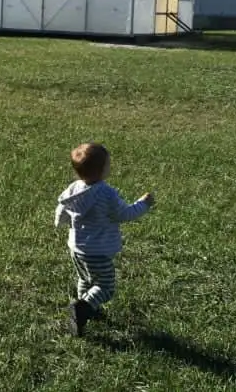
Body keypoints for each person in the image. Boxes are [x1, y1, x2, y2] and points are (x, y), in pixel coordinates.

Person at [54, 142, 154, 336]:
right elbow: (123, 214)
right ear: (101, 170)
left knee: (85, 278)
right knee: (106, 287)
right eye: (108, 164)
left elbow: (62, 209)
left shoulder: (74, 189)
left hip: (77, 247)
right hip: (98, 251)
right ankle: (83, 307)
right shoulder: (106, 193)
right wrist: (144, 204)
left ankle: (88, 308)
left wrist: (59, 222)